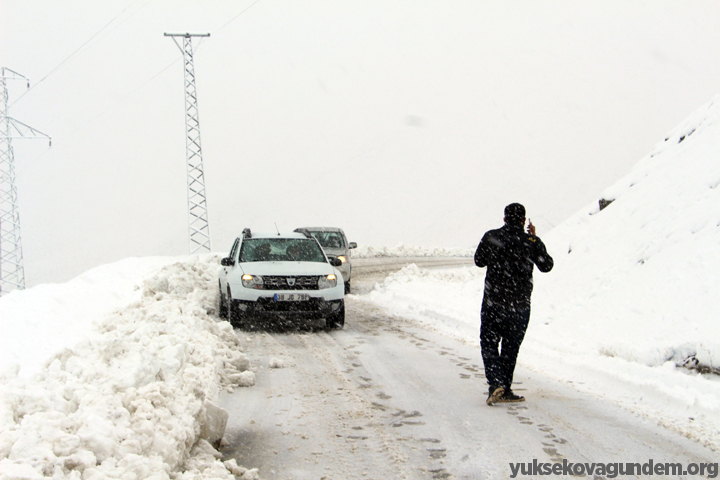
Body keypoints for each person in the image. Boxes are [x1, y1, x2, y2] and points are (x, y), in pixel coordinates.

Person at [474, 203, 554, 405]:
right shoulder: (531, 241)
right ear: (524, 220)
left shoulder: (492, 236)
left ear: (504, 219)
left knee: (489, 343)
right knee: (511, 347)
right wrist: (534, 239)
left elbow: (479, 261)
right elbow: (547, 265)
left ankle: (496, 384)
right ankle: (505, 387)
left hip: (494, 302)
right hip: (519, 305)